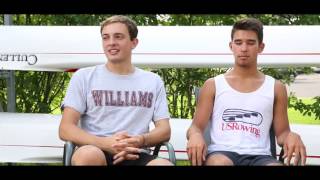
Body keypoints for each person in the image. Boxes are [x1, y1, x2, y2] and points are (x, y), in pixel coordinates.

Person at [186, 18, 306, 166]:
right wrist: (195, 135)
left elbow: (282, 134)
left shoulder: (276, 87)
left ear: (260, 47)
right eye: (238, 43)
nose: (243, 48)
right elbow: (195, 127)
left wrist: (292, 136)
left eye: (250, 43)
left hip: (260, 156)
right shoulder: (213, 85)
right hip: (222, 153)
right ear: (231, 46)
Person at [59, 15, 172, 166]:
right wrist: (105, 144)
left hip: (135, 152)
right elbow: (65, 129)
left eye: (118, 37)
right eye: (106, 38)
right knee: (88, 155)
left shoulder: (153, 81)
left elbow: (164, 130)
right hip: (96, 150)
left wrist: (140, 140)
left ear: (134, 42)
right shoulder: (84, 77)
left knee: (163, 165)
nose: (111, 43)